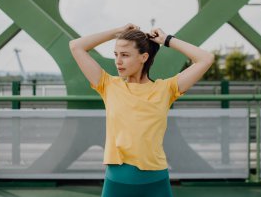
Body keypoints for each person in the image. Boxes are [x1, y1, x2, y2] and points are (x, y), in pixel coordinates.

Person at [69, 23, 214, 197]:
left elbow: (206, 58)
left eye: (125, 55)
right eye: (116, 55)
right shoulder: (108, 85)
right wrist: (116, 32)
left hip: (156, 181)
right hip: (117, 182)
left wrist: (167, 40)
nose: (118, 61)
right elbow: (76, 46)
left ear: (144, 57)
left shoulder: (165, 89)